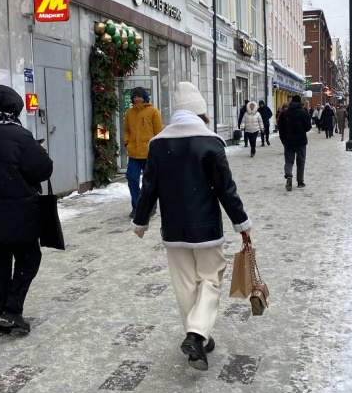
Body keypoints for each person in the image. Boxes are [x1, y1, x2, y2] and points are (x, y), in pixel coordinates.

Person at [132, 81, 252, 372]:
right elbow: (226, 189)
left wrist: (141, 220)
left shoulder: (158, 144)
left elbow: (148, 188)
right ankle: (197, 334)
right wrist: (241, 223)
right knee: (211, 279)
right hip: (207, 228)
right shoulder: (210, 143)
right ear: (201, 112)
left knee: (184, 282)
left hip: (174, 229)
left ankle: (197, 335)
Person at [0, 85, 53, 335]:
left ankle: (0, 317)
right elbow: (42, 169)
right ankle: (11, 310)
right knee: (29, 258)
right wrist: (39, 150)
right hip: (18, 210)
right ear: (14, 107)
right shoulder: (20, 136)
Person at [124, 87, 163, 219]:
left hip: (149, 154)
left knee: (150, 183)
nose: (136, 99)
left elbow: (159, 133)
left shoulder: (153, 112)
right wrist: (127, 143)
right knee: (132, 179)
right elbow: (126, 130)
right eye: (134, 97)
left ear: (144, 96)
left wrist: (156, 149)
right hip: (134, 153)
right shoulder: (129, 113)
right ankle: (137, 207)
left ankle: (151, 206)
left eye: (139, 96)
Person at [278, 95, 312, 191]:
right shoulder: (303, 112)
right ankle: (300, 182)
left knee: (289, 160)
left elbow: (280, 128)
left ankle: (288, 175)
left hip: (288, 141)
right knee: (301, 161)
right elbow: (308, 127)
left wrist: (283, 140)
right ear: (299, 102)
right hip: (301, 141)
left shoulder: (284, 114)